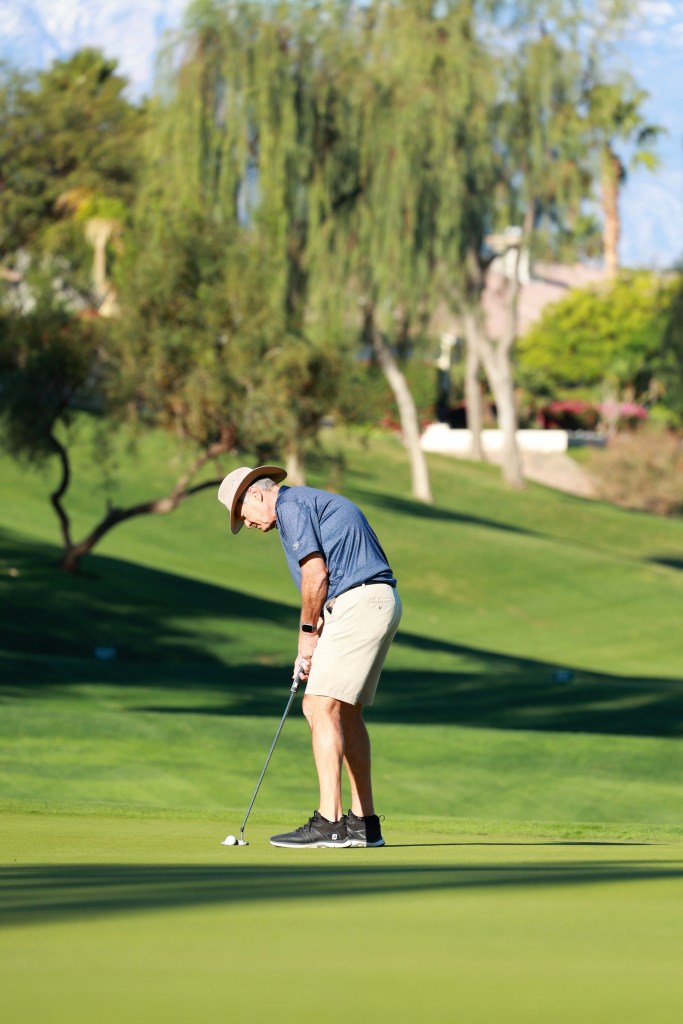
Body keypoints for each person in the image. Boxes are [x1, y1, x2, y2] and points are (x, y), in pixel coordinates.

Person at [217, 465, 402, 849]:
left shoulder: (291, 507)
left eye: (241, 514)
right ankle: (363, 823)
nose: (246, 525)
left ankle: (329, 823)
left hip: (358, 602)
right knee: (345, 712)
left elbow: (315, 576)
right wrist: (317, 632)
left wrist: (307, 635)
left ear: (256, 494)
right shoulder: (307, 502)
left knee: (318, 707)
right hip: (374, 601)